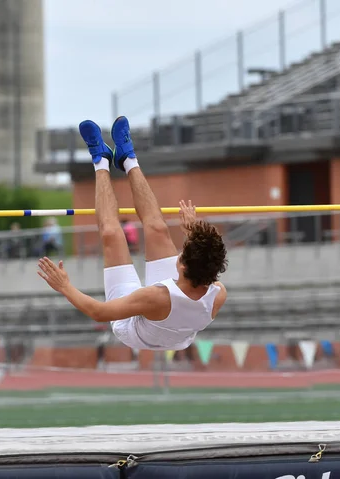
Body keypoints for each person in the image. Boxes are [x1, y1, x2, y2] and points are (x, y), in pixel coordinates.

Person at [37, 116, 228, 351]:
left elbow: (99, 313)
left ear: (183, 267)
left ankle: (100, 160)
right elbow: (205, 258)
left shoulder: (153, 297)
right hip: (171, 314)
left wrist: (64, 286)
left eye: (183, 254)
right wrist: (193, 232)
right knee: (158, 229)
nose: (179, 254)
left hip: (133, 331)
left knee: (111, 234)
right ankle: (127, 158)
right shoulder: (217, 293)